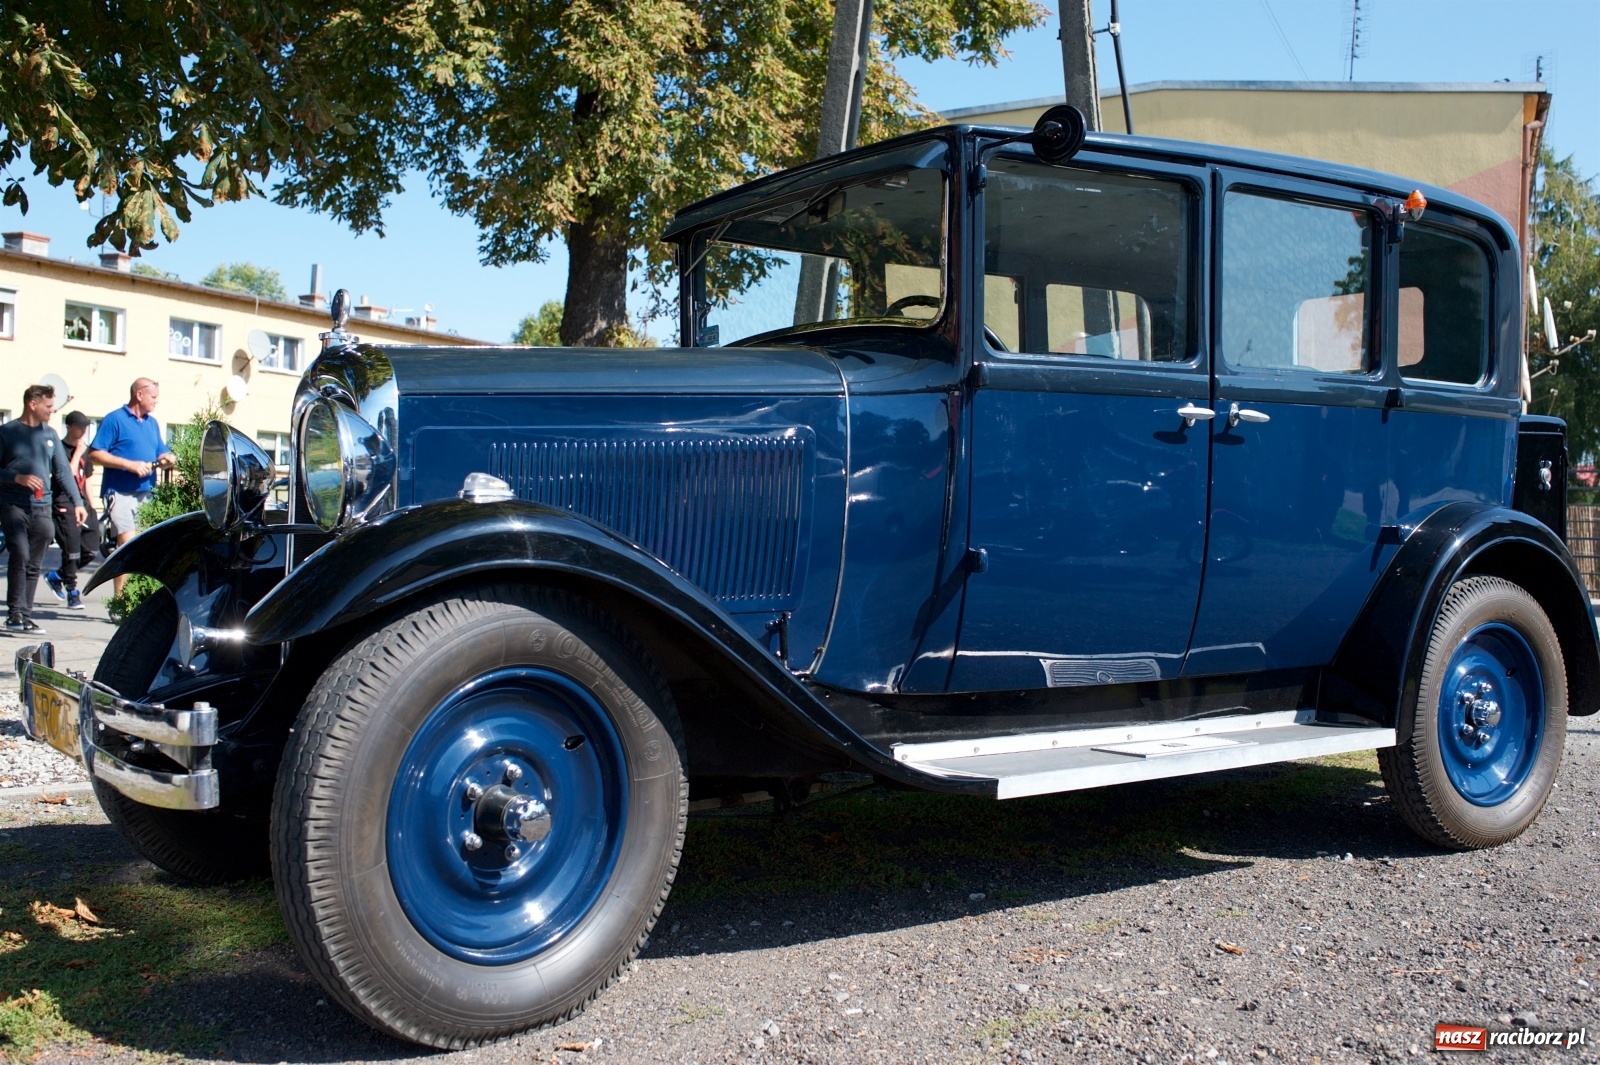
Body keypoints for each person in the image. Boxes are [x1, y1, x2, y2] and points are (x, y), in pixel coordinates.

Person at [0, 384, 86, 634]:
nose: (52, 410)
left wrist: (78, 503)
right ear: (32, 404)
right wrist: (16, 478)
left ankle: (24, 615)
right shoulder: (7, 432)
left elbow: (62, 472)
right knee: (20, 554)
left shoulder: (50, 435)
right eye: (48, 406)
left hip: (42, 507)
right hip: (13, 504)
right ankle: (15, 614)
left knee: (34, 563)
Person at [88, 378, 174, 595]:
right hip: (120, 492)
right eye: (153, 397)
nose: (156, 401)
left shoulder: (152, 423)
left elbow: (161, 451)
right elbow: (95, 454)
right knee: (128, 544)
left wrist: (166, 458)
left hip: (147, 492)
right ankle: (121, 599)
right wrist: (130, 465)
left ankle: (135, 597)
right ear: (139, 394)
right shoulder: (115, 419)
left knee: (143, 546)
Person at [42, 410, 103, 610]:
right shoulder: (59, 448)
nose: (83, 431)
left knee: (92, 549)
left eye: (85, 427)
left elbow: (87, 479)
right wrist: (76, 453)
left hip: (83, 504)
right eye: (79, 427)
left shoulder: (85, 450)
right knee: (72, 550)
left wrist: (92, 505)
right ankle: (72, 592)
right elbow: (66, 474)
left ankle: (58, 575)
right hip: (63, 503)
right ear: (69, 427)